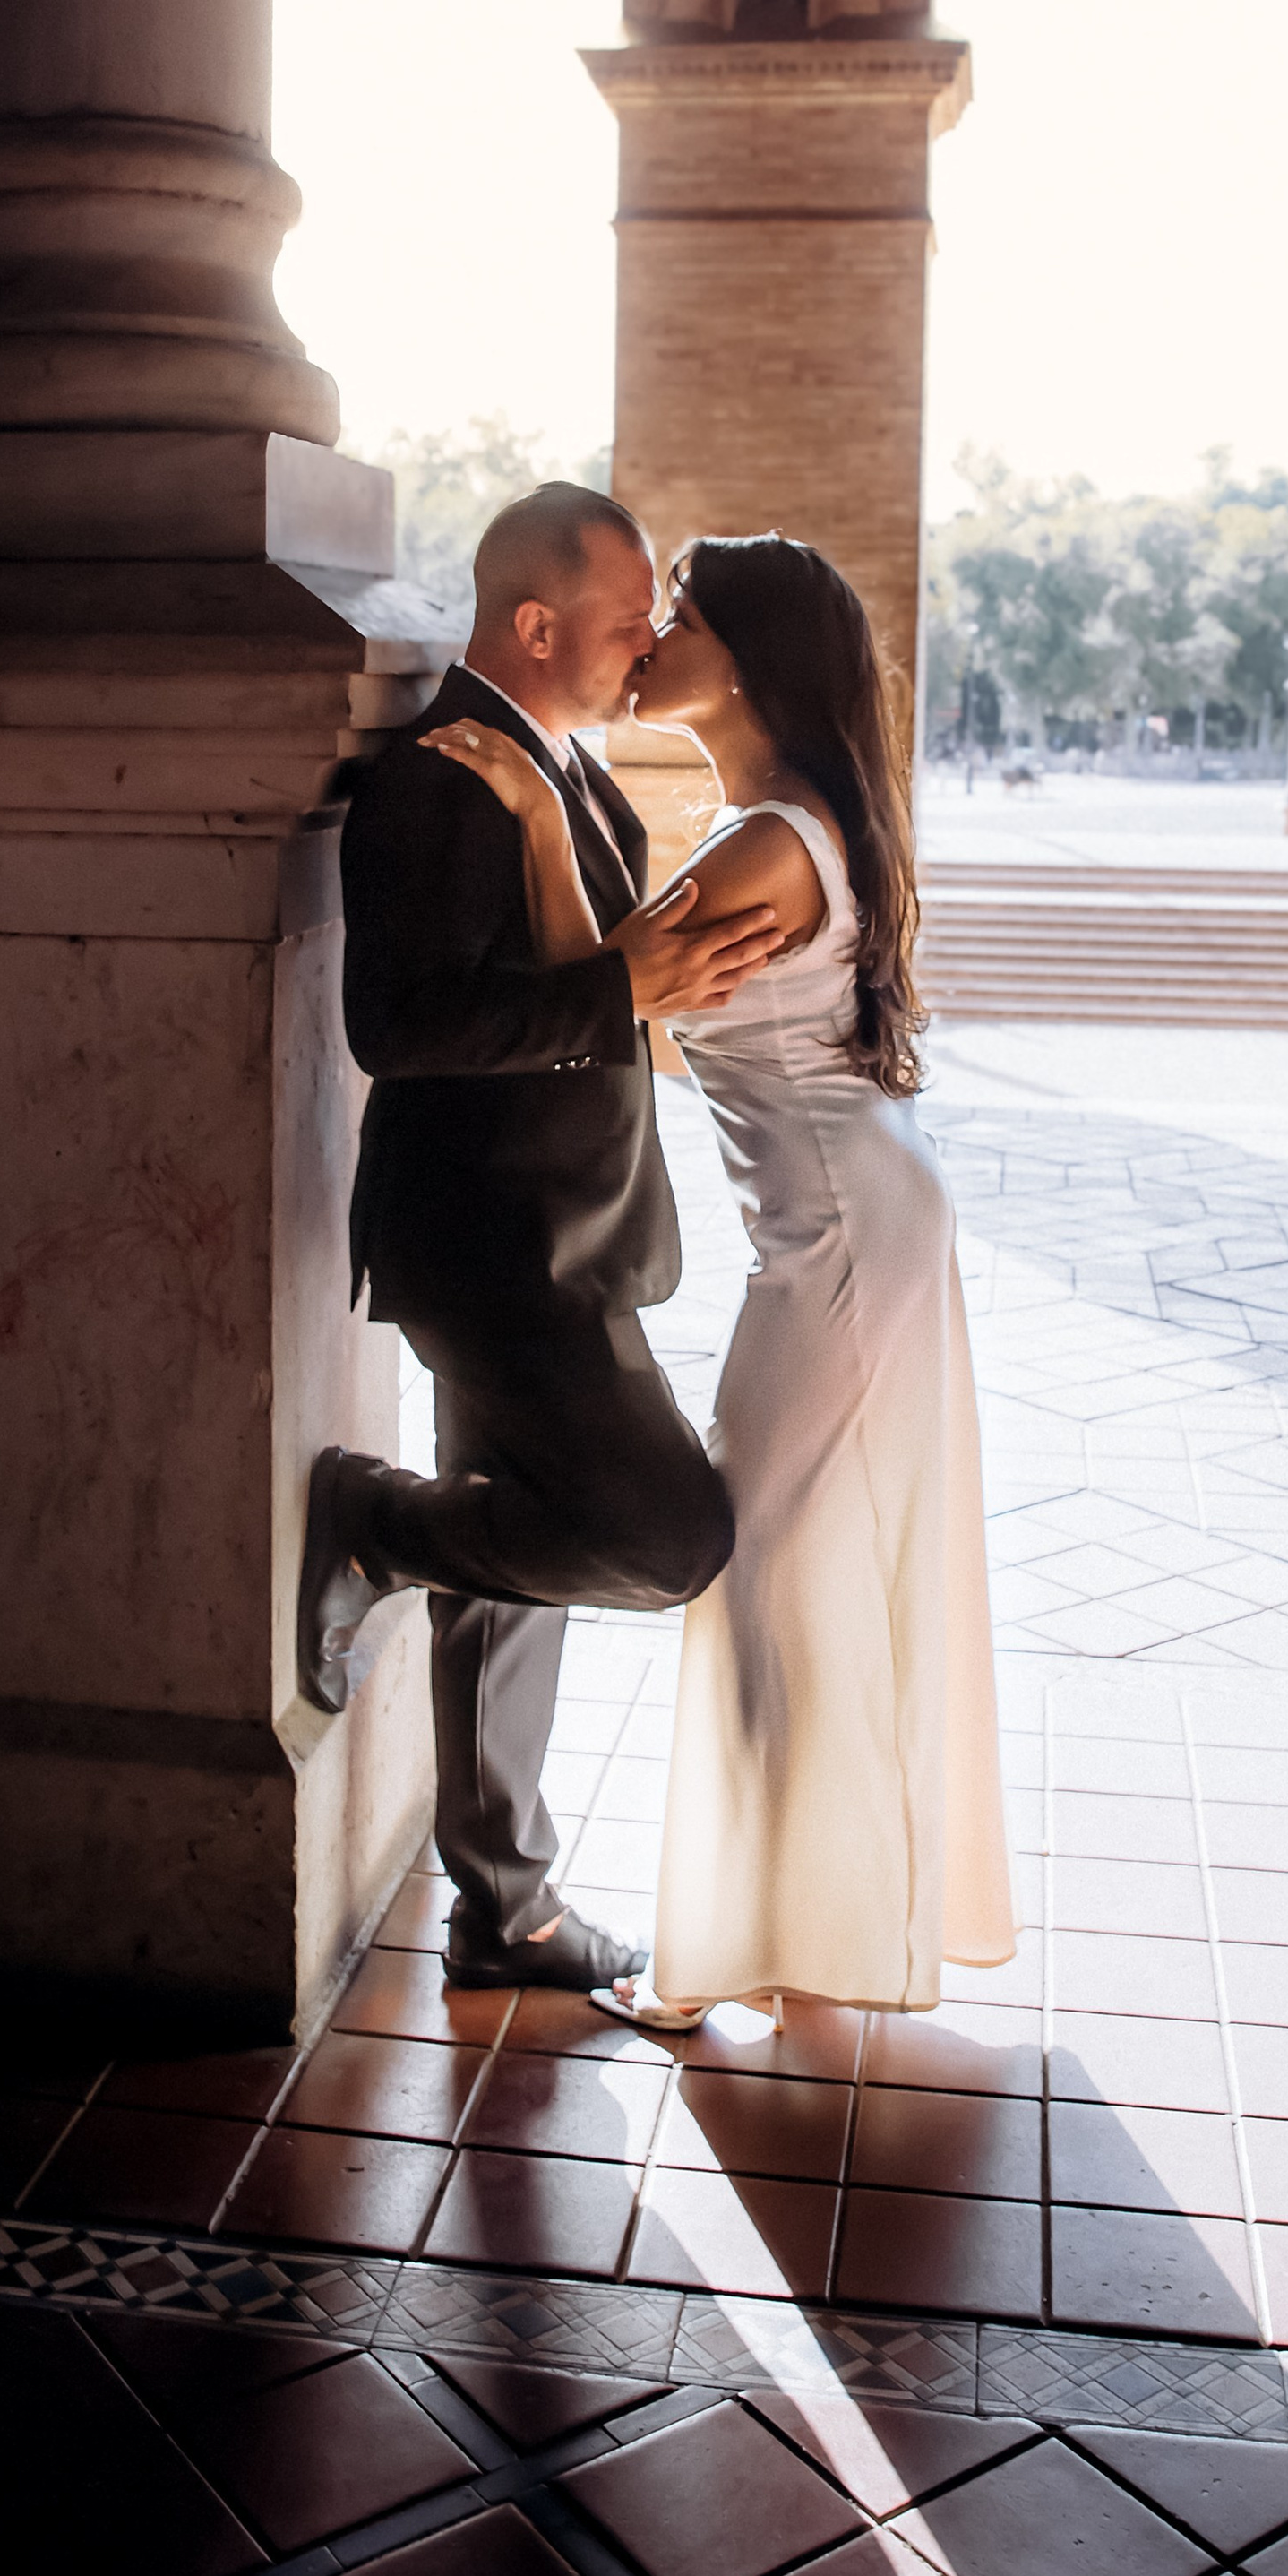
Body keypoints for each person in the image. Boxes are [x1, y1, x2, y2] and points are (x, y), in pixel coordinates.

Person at [428, 530, 1014, 2026]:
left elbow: (603, 988)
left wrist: (527, 797)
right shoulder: (780, 818)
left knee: (763, 1580)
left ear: (747, 660)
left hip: (837, 1245)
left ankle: (742, 1956)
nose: (652, 636)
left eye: (680, 616)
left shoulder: (767, 844)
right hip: (848, 1220)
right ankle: (806, 1934)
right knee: (799, 1579)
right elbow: (629, 976)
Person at [297, 483, 780, 1999]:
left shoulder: (562, 763)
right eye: (631, 611)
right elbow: (402, 1024)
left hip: (562, 1234)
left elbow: (615, 972)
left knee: (513, 1583)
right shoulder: (439, 781)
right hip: (499, 1249)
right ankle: (376, 1525)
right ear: (536, 621)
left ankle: (503, 1908)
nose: (647, 636)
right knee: (667, 1536)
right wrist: (622, 995)